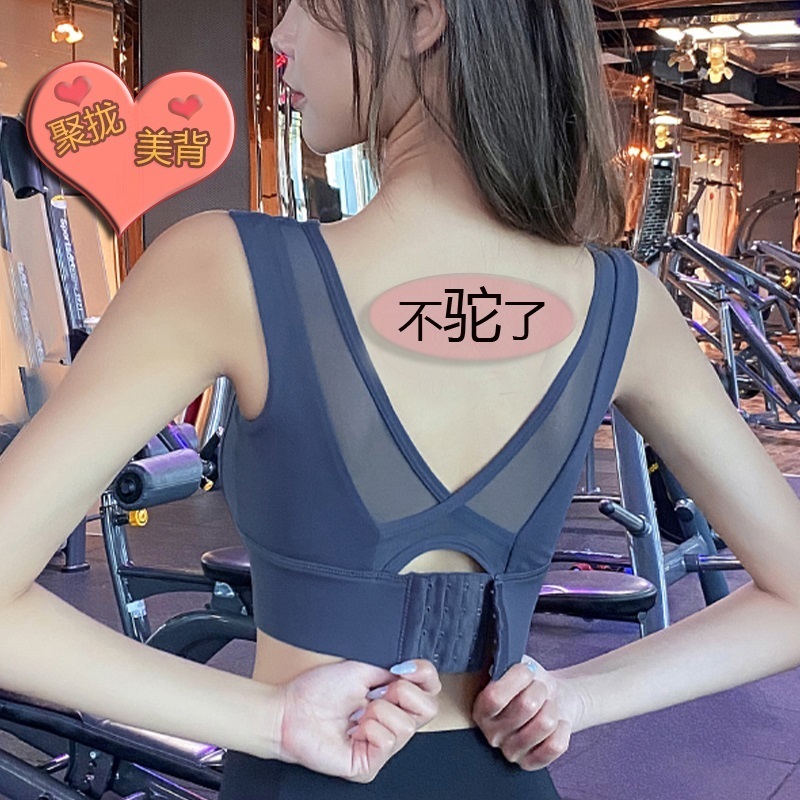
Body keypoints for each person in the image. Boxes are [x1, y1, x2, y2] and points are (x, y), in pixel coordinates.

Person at [1, 0, 799, 797]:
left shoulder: (223, 269)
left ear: (421, 17)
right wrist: (577, 698)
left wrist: (269, 720)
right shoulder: (626, 303)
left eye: (302, 4)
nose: (278, 35)